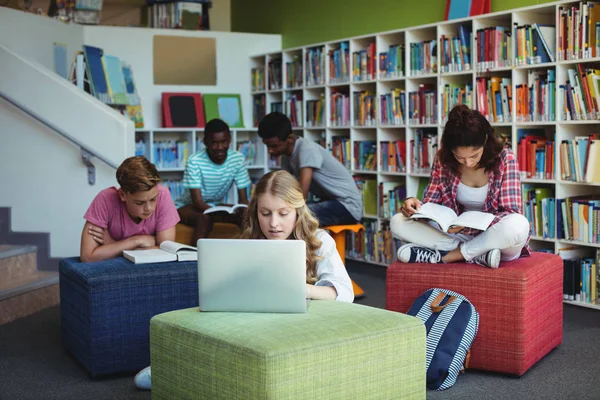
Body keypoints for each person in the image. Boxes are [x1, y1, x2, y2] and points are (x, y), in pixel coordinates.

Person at [133, 170, 354, 390]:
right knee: (209, 317)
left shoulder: (320, 242)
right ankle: (169, 366)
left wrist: (302, 289)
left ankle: (172, 370)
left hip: (298, 321)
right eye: (265, 213)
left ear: (298, 211)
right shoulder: (250, 242)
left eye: (283, 213)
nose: (274, 224)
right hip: (254, 315)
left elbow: (344, 292)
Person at [390, 105, 531, 269]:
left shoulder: (505, 158)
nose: (468, 163)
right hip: (458, 235)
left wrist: (473, 226)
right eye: (460, 157)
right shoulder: (443, 159)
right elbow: (432, 203)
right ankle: (479, 255)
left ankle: (451, 255)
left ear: (485, 140)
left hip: (495, 238)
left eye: (474, 155)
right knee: (397, 221)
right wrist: (415, 206)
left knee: (518, 224)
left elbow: (511, 212)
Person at [257, 112, 363, 227]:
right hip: (329, 202)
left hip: (347, 207)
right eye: (267, 146)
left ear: (290, 138)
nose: (270, 151)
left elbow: (302, 194)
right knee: (276, 215)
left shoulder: (306, 149)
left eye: (274, 146)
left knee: (293, 217)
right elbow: (283, 188)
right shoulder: (285, 156)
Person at [80, 156, 180, 263]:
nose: (149, 208)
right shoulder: (105, 199)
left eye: (153, 199)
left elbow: (166, 252)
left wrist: (112, 245)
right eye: (139, 202)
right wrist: (136, 241)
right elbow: (88, 257)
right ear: (123, 195)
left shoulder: (163, 194)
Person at [176, 118, 251, 243]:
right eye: (214, 143)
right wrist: (218, 214)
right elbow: (198, 202)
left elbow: (243, 199)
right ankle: (193, 256)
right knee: (204, 219)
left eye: (224, 142)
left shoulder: (238, 159)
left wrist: (246, 211)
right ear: (205, 142)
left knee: (245, 215)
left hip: (216, 206)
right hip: (189, 207)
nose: (220, 147)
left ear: (230, 140)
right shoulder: (195, 161)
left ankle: (249, 250)